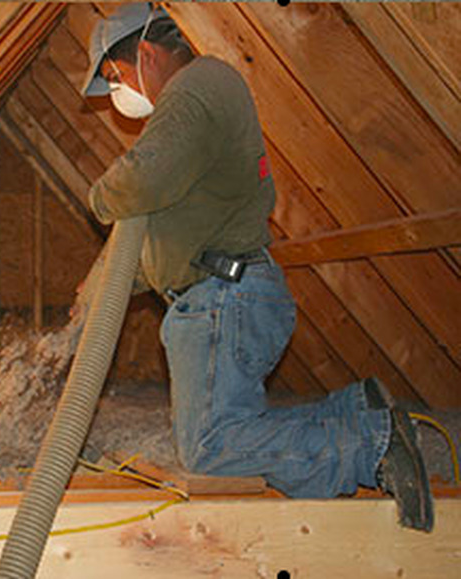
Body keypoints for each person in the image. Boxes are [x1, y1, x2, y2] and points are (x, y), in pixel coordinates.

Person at [81, 3, 433, 531]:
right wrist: (93, 296)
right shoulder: (199, 100)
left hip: (222, 297)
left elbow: (139, 180)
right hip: (226, 294)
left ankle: (372, 445)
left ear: (147, 54)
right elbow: (160, 233)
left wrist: (98, 198)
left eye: (116, 76)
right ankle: (355, 412)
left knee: (211, 446)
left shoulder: (195, 87)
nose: (118, 93)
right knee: (233, 429)